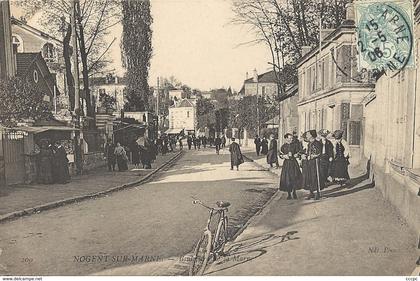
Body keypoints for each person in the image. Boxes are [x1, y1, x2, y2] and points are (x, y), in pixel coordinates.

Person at [279, 134, 302, 199]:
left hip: (293, 164)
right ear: (286, 139)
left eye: (292, 138)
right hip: (287, 164)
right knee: (287, 179)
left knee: (294, 177)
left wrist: (296, 155)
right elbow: (280, 154)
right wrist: (284, 156)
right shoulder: (283, 146)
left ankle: (294, 192)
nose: (291, 139)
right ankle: (289, 194)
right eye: (290, 138)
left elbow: (299, 152)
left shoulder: (295, 145)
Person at [302, 130, 323, 200]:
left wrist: (311, 156)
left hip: (315, 163)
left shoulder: (317, 143)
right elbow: (308, 152)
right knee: (309, 177)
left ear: (311, 135)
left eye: (308, 134)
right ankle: (311, 193)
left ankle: (317, 193)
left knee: (315, 177)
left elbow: (319, 153)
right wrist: (305, 155)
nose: (306, 136)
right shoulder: (309, 143)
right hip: (309, 163)